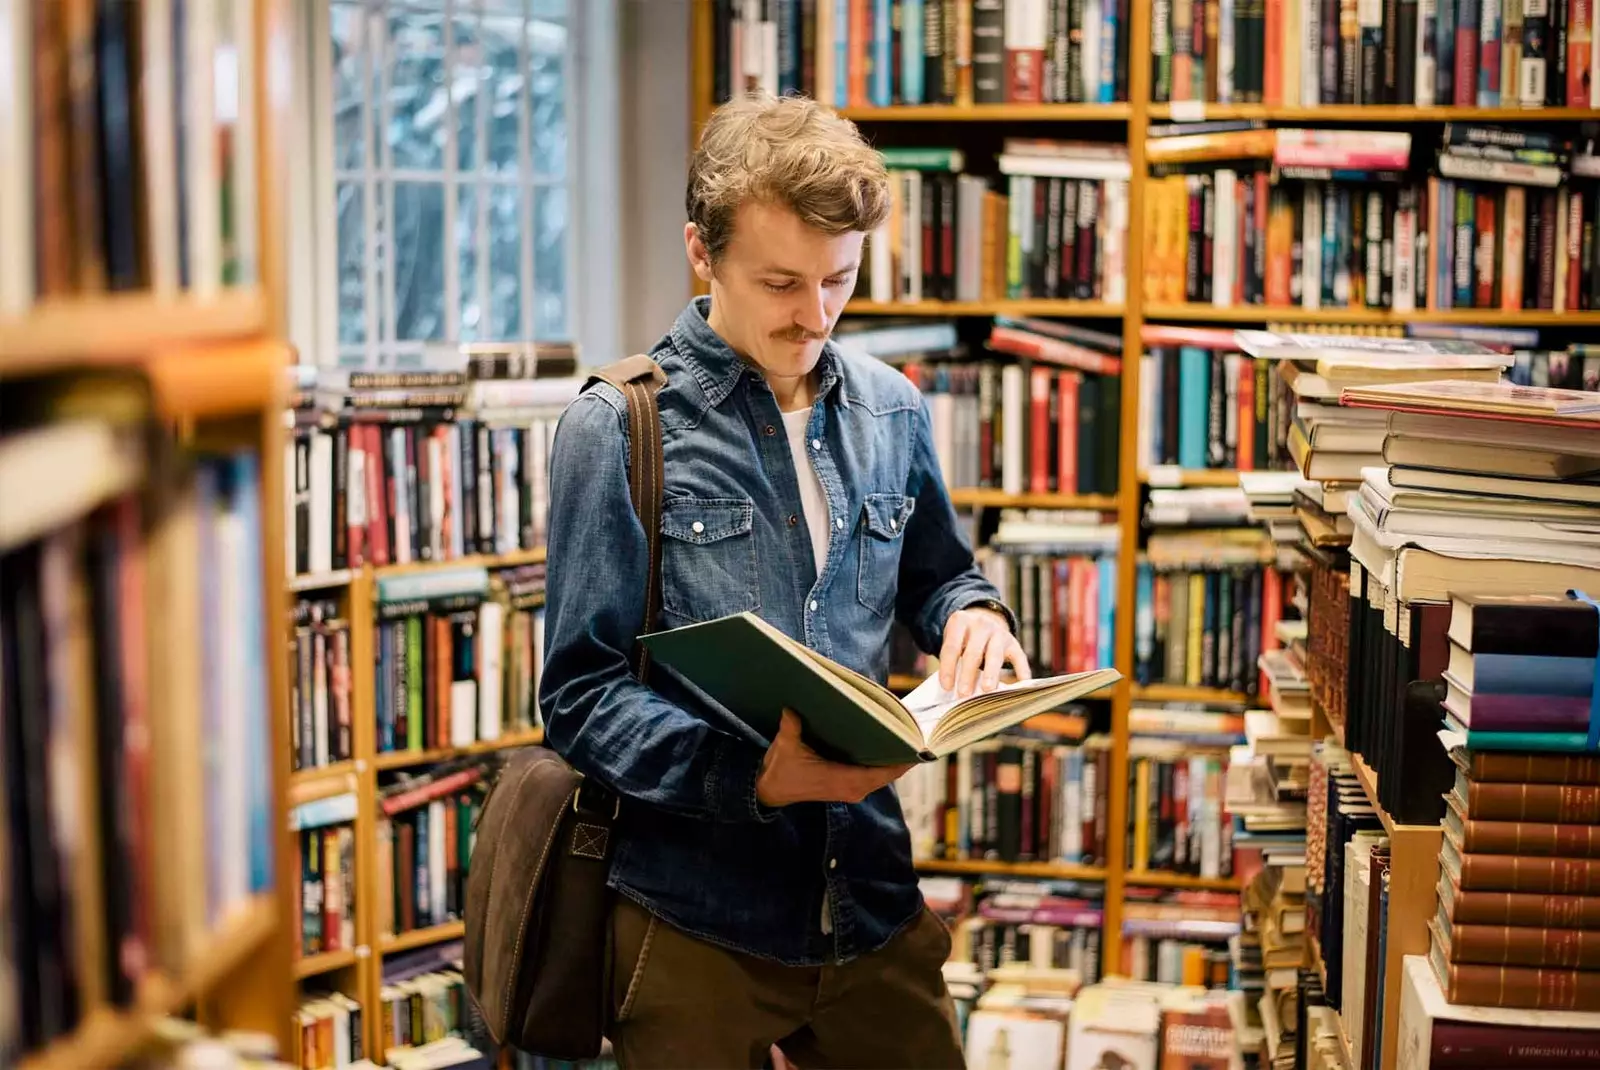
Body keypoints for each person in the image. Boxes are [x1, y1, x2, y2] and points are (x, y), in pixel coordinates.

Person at [539, 92, 1031, 1069]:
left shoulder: (891, 410)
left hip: (870, 898)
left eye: (837, 280)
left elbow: (942, 575)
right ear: (700, 251)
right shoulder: (618, 429)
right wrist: (747, 774)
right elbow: (578, 696)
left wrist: (975, 615)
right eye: (778, 282)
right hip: (694, 921)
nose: (814, 316)